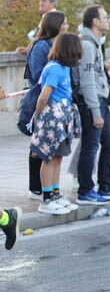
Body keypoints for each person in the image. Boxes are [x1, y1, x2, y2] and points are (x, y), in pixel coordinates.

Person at [75, 5, 110, 205]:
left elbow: (98, 75)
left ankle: (105, 186)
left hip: (100, 99)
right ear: (95, 21)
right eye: (106, 17)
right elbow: (87, 80)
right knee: (90, 146)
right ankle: (85, 191)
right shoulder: (87, 46)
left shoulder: (94, 43)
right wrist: (95, 112)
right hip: (92, 102)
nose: (108, 20)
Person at [31, 33, 84, 215]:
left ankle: (55, 194)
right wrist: (37, 117)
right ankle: (46, 199)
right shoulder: (54, 68)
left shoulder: (63, 68)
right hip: (52, 119)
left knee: (57, 158)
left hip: (62, 119)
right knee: (48, 157)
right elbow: (43, 96)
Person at [24, 10, 68, 199]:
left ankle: (49, 189)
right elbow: (37, 77)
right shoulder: (41, 46)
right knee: (40, 149)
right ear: (56, 24)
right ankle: (37, 188)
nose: (67, 26)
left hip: (57, 105)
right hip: (45, 104)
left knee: (52, 150)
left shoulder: (56, 45)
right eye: (64, 23)